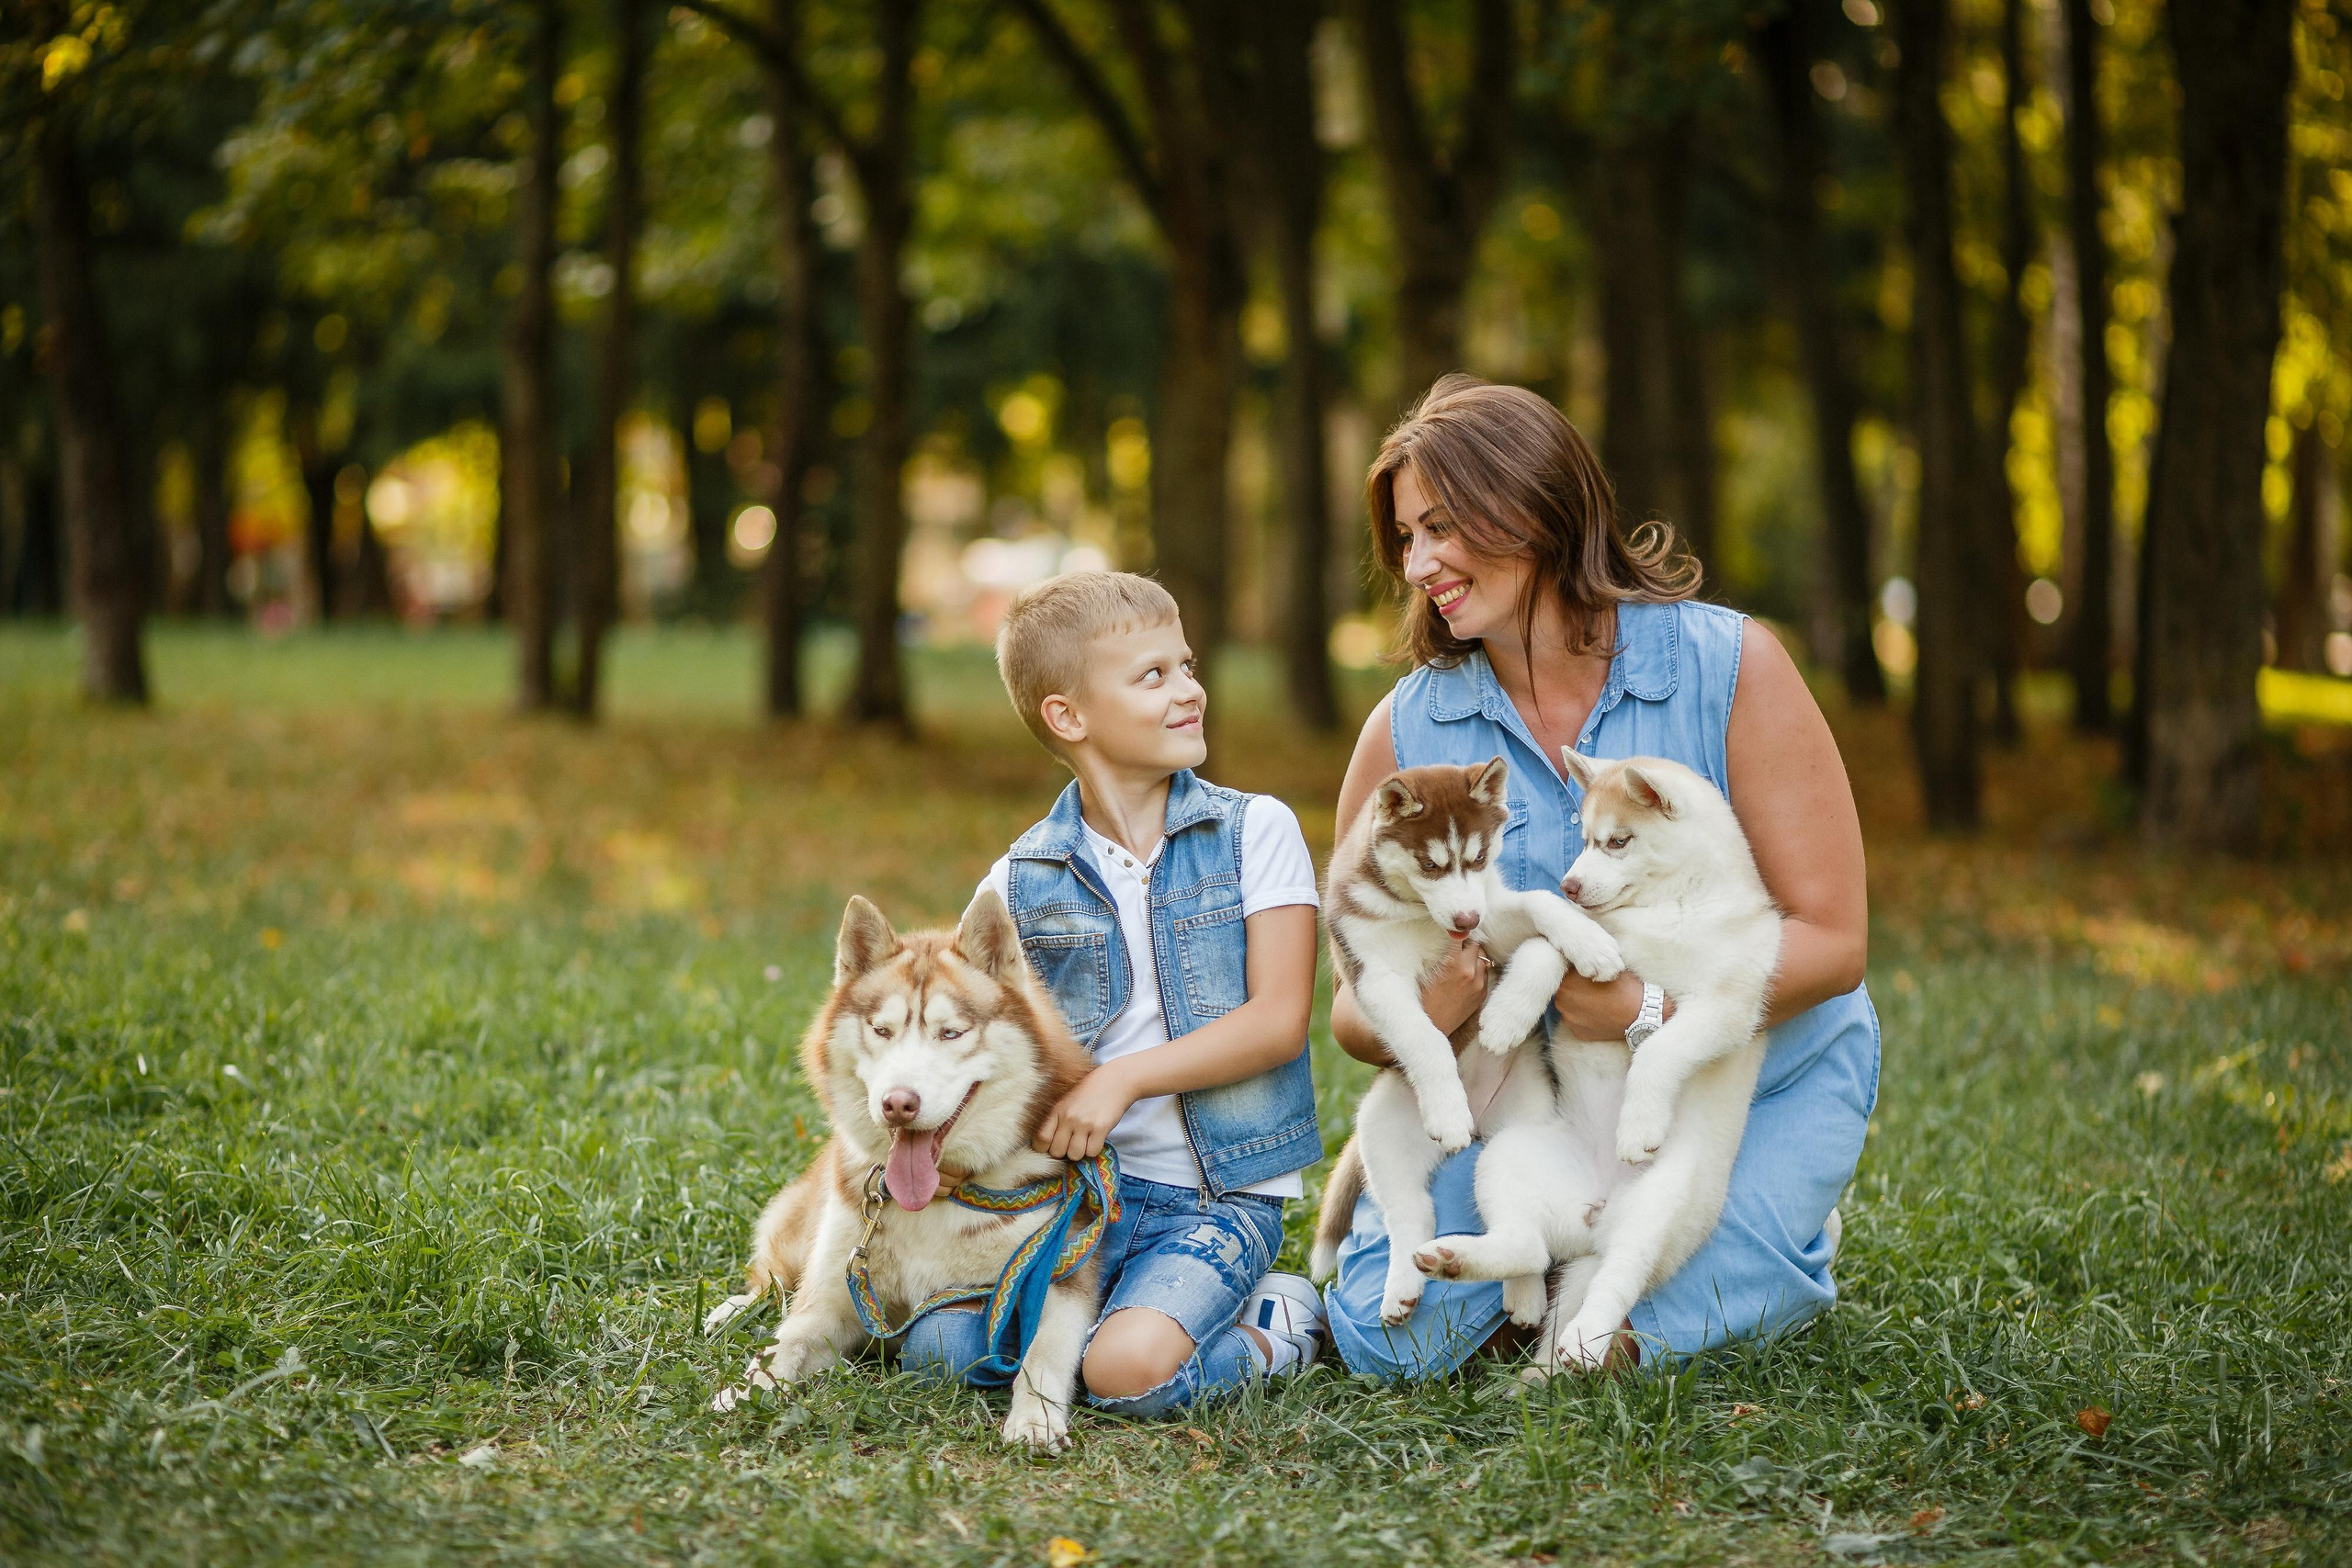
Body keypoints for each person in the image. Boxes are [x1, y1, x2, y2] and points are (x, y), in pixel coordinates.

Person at [1324, 375, 1880, 1375]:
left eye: (1443, 527)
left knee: (1627, 1338)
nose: (1420, 565)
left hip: (1749, 1072)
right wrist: (1439, 1006)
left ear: (1534, 505)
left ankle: (1775, 1227)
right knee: (1385, 1343)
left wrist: (1641, 1008)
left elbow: (1834, 941)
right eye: (1406, 538)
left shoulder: (1732, 665)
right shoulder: (1407, 732)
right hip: (1552, 1100)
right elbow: (1353, 1012)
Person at [898, 570, 1330, 1414]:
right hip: (1075, 1194)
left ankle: (1279, 1322)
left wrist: (1121, 1078)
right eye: (1154, 676)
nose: (1190, 691)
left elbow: (1278, 1021)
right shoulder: (1019, 879)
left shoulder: (1256, 830)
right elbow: (971, 1037)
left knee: (1123, 1375)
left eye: (1188, 665)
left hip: (1216, 1196)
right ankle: (1137, 1313)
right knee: (939, 1354)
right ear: (1069, 716)